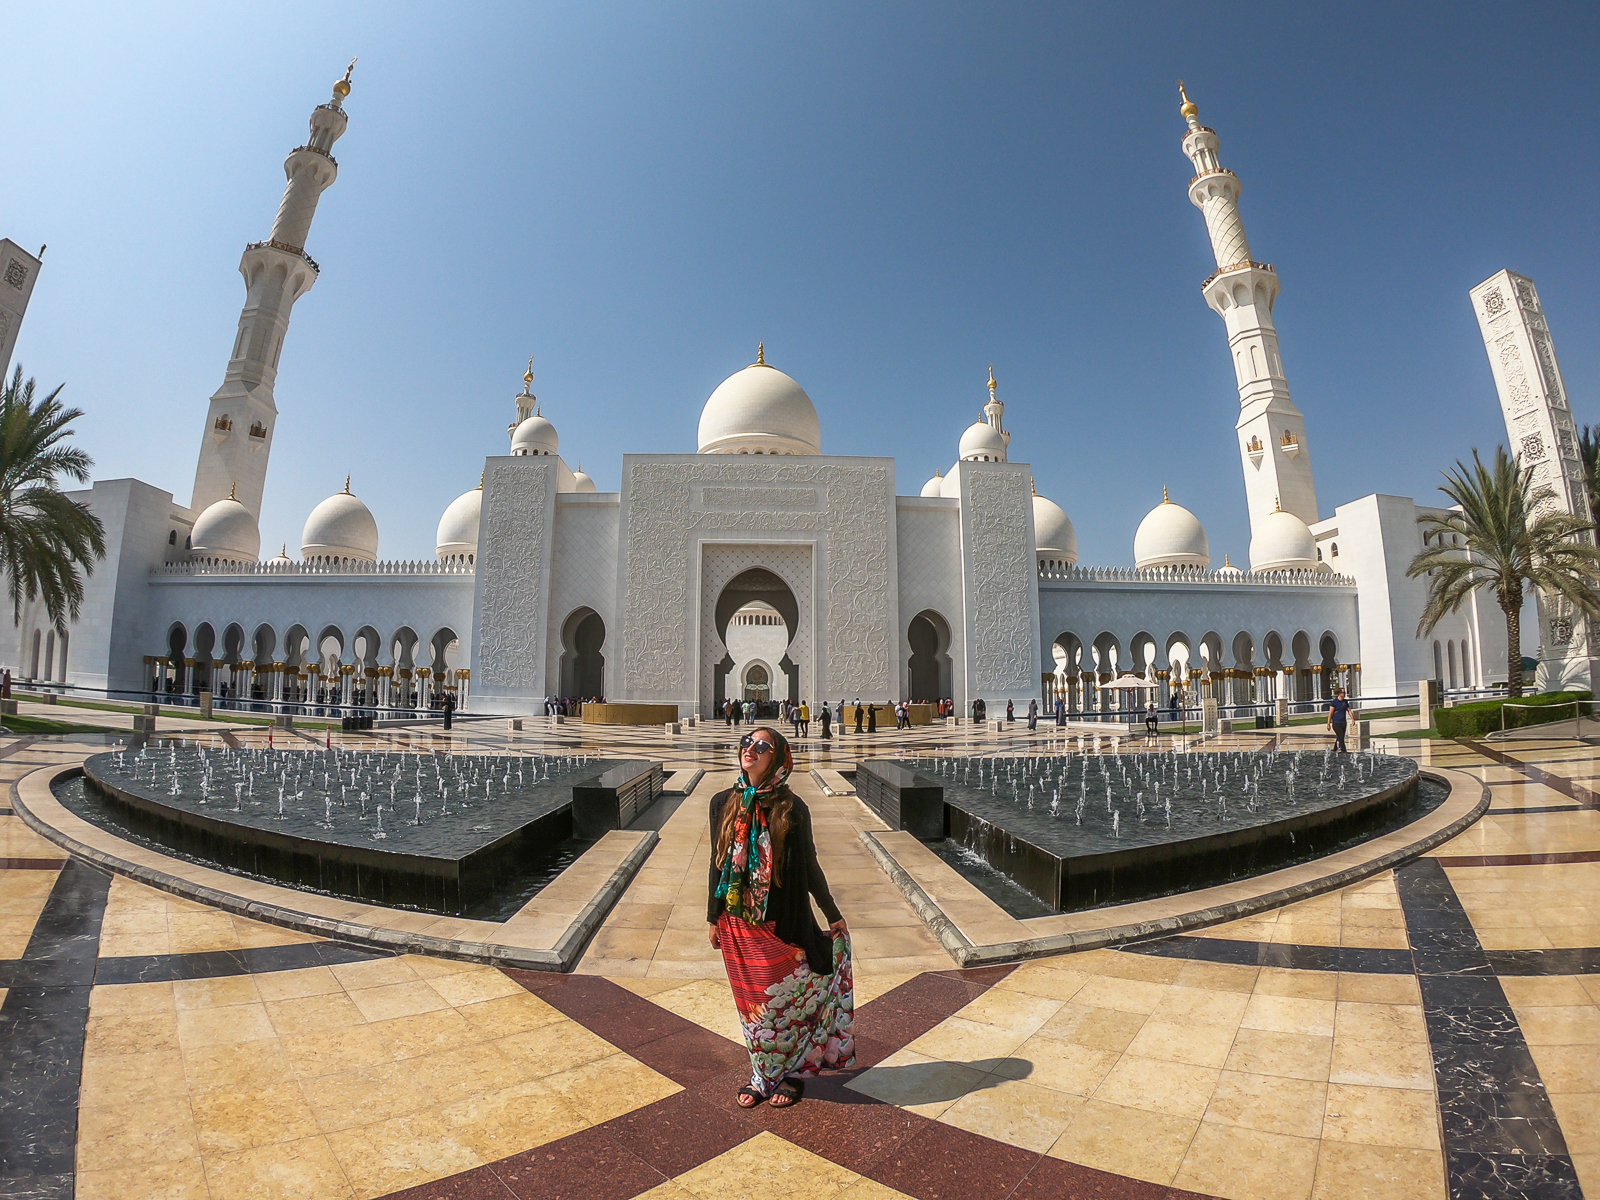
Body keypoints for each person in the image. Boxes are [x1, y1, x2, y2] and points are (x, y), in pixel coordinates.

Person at [707, 727, 854, 1108]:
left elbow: (809, 865)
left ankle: (788, 1074)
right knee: (752, 1009)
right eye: (746, 743)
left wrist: (832, 913)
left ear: (778, 757)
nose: (749, 750)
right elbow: (718, 864)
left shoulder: (792, 808)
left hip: (780, 926)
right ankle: (761, 1074)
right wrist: (712, 917)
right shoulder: (722, 802)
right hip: (737, 923)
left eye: (761, 746)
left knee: (781, 1007)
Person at [1327, 688, 1352, 753]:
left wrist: (1353, 719)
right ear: (1340, 693)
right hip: (1336, 723)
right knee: (1341, 738)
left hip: (1343, 723)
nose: (1345, 694)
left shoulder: (1345, 702)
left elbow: (1349, 710)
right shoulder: (1334, 702)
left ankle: (1334, 749)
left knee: (1340, 737)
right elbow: (1331, 713)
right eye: (1344, 693)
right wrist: (1328, 724)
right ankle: (1344, 751)